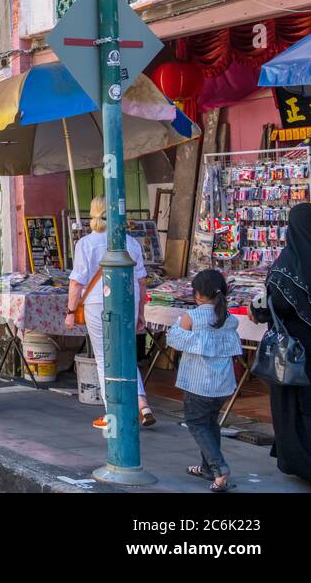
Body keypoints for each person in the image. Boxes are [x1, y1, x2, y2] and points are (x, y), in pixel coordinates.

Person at [65, 195, 155, 428]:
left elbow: (76, 283)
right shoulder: (131, 243)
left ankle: (113, 413)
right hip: (129, 300)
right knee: (125, 353)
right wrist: (141, 311)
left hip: (98, 302)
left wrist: (70, 310)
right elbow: (142, 280)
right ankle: (142, 403)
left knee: (105, 358)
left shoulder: (86, 243)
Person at [166, 268, 242, 492]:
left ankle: (219, 469)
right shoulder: (229, 319)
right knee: (210, 425)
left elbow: (174, 339)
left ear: (198, 294)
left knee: (197, 424)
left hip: (198, 384)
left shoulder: (192, 317)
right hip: (222, 385)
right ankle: (208, 467)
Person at [251, 202, 311, 483]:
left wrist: (257, 308)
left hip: (293, 353)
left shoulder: (286, 267)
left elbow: (273, 306)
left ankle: (301, 462)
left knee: (292, 407)